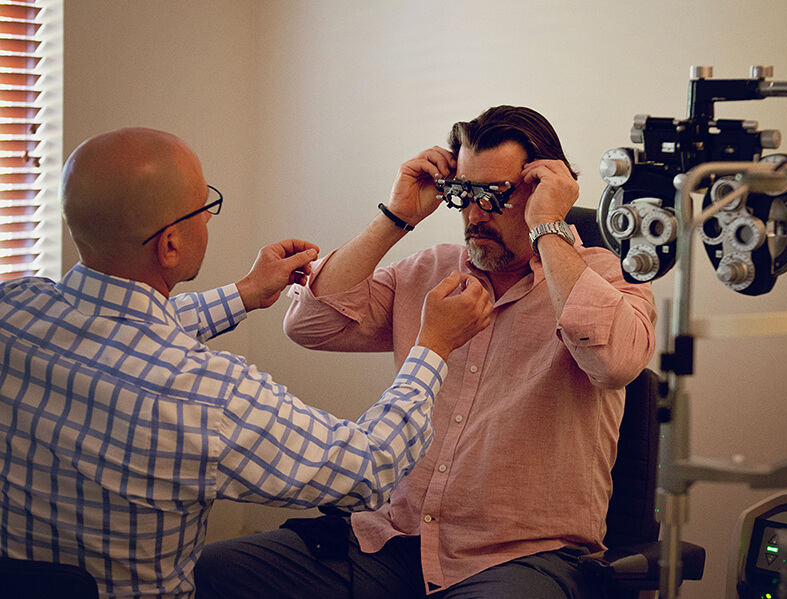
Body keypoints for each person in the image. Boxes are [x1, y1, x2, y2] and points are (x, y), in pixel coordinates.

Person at [0, 127, 494, 599]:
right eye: (205, 206)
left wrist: (243, 294)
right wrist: (432, 348)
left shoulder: (15, 309)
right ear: (170, 245)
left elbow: (126, 329)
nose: (210, 219)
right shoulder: (208, 396)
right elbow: (369, 468)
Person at [195, 106, 656, 598]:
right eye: (464, 194)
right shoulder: (430, 271)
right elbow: (310, 324)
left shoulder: (603, 276)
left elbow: (614, 364)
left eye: (495, 196)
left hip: (522, 559)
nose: (476, 214)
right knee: (210, 571)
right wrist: (397, 217)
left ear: (545, 188)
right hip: (389, 540)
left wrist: (548, 226)